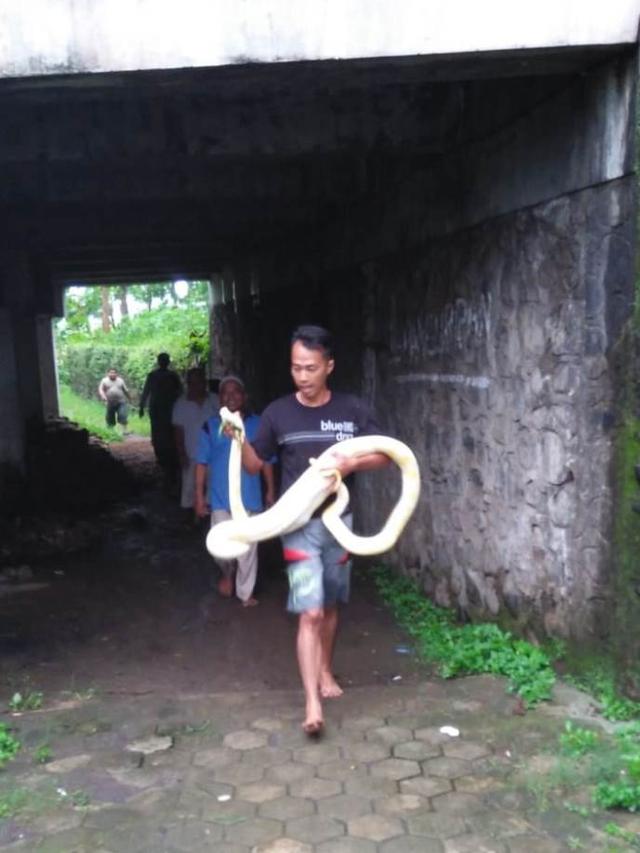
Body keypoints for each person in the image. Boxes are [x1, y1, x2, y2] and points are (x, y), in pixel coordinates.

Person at [231, 325, 388, 735]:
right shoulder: (277, 413)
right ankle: (312, 704)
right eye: (296, 367)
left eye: (311, 368)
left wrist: (353, 463)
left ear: (328, 367)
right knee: (310, 611)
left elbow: (386, 455)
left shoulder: (353, 411)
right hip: (296, 526)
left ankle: (325, 670)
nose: (302, 375)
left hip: (339, 523)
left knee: (331, 606)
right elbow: (253, 463)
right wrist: (240, 440)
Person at [195, 375, 275, 607]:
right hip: (220, 499)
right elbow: (201, 463)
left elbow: (267, 460)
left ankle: (245, 593)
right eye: (225, 393)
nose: (231, 397)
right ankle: (228, 573)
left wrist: (270, 490)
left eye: (236, 392)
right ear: (219, 399)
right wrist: (199, 497)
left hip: (251, 498)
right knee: (220, 548)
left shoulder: (259, 425)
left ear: (244, 396)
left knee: (248, 550)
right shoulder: (210, 427)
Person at [172, 367, 219, 519]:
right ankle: (189, 520)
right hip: (191, 453)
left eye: (199, 382)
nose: (196, 386)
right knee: (189, 488)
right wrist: (181, 454)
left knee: (213, 487)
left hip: (214, 454)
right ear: (188, 384)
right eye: (192, 382)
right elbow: (178, 431)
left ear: (204, 382)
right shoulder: (180, 404)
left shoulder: (215, 400)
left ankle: (209, 519)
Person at [139, 353, 183, 489]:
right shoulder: (169, 376)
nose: (164, 362)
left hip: (164, 410)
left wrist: (141, 406)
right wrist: (141, 405)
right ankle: (166, 461)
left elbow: (146, 392)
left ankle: (167, 461)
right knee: (162, 435)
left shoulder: (159, 376)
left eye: (164, 360)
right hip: (162, 410)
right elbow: (181, 391)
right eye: (163, 360)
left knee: (163, 435)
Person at [98, 367, 132, 433]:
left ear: (117, 374)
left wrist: (129, 398)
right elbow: (101, 389)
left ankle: (124, 431)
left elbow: (126, 390)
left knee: (123, 415)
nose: (112, 374)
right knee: (110, 417)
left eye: (114, 372)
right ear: (108, 373)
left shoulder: (120, 380)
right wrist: (103, 396)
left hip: (121, 401)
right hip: (110, 402)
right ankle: (111, 431)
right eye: (111, 372)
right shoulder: (104, 380)